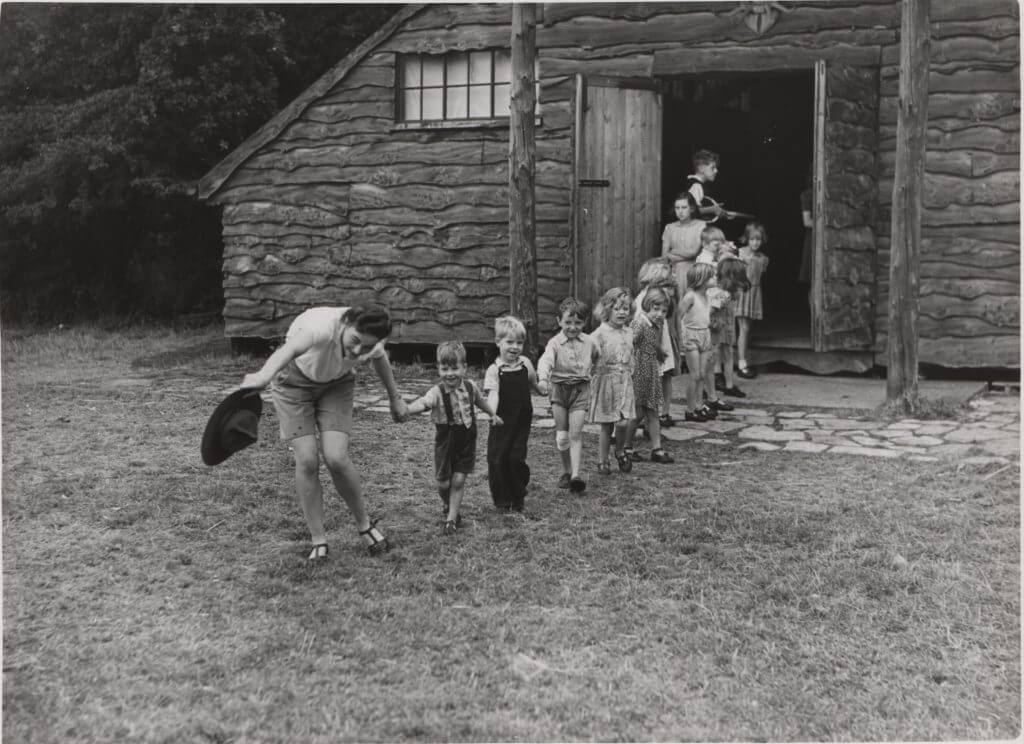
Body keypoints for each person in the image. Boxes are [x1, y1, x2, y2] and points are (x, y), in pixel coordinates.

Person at [239, 305, 408, 561]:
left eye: (365, 347)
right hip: (293, 383)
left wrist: (395, 399)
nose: (356, 351)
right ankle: (318, 539)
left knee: (337, 457)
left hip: (336, 384)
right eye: (354, 341)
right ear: (344, 323)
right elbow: (289, 350)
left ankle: (365, 525)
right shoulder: (319, 328)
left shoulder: (369, 340)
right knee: (307, 459)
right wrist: (264, 375)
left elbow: (379, 358)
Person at [401, 341, 503, 535]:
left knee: (457, 481)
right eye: (444, 368)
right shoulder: (436, 392)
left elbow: (480, 401)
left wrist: (493, 414)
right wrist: (407, 410)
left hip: (466, 441)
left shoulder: (471, 387)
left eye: (455, 368)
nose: (450, 373)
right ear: (439, 368)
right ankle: (448, 504)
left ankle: (451, 520)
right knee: (443, 483)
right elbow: (424, 402)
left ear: (464, 367)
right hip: (445, 443)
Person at [537, 297, 598, 494]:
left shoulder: (590, 342)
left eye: (578, 323)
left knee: (576, 433)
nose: (573, 327)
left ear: (585, 322)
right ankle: (566, 470)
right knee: (562, 436)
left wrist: (595, 373)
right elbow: (545, 361)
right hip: (559, 390)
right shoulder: (554, 343)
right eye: (568, 322)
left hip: (580, 389)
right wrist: (543, 379)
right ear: (559, 321)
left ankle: (576, 476)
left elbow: (598, 357)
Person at [484, 316, 542, 513]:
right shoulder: (495, 370)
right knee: (498, 458)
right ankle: (503, 500)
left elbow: (533, 382)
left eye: (519, 342)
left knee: (516, 458)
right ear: (498, 342)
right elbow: (493, 394)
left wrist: (541, 389)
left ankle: (518, 493)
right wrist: (491, 413)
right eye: (510, 342)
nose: (515, 347)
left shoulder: (525, 363)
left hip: (521, 420)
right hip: (501, 421)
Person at [588, 287, 637, 474]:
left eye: (625, 309)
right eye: (617, 308)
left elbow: (630, 355)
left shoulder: (628, 332)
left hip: (624, 381)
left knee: (624, 422)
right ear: (607, 310)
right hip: (607, 383)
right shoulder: (598, 335)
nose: (622, 312)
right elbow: (590, 359)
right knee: (607, 424)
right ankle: (603, 459)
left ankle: (620, 451)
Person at [624, 286, 674, 464]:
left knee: (653, 411)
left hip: (651, 372)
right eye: (656, 309)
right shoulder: (640, 323)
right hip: (638, 373)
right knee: (636, 413)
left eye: (664, 310)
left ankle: (657, 449)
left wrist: (659, 353)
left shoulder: (656, 324)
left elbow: (653, 346)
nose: (660, 313)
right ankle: (626, 448)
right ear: (646, 305)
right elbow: (629, 345)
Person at [634, 257, 680, 428]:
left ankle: (663, 413)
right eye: (663, 282)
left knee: (665, 375)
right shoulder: (643, 299)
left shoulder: (662, 296)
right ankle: (646, 418)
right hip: (651, 344)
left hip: (663, 340)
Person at [707, 257, 750, 404]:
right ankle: (710, 390)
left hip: (728, 327)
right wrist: (712, 324)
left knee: (729, 353)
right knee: (712, 358)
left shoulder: (730, 293)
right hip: (717, 329)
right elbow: (708, 312)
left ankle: (729, 385)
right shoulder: (722, 295)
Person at [678, 264, 715, 423]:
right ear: (701, 279)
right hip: (691, 336)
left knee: (702, 374)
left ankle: (699, 406)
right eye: (711, 276)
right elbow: (678, 316)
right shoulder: (690, 296)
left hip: (705, 334)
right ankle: (690, 409)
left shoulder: (707, 296)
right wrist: (680, 337)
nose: (715, 279)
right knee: (694, 375)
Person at [736, 222, 770, 379]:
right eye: (752, 239)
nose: (755, 242)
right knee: (744, 328)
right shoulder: (739, 254)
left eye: (758, 239)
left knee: (747, 328)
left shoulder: (763, 259)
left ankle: (743, 360)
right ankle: (742, 364)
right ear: (746, 239)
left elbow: (760, 274)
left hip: (754, 293)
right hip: (741, 292)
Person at [661, 191, 705, 304]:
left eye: (684, 207)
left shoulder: (700, 225)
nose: (680, 211)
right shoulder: (670, 228)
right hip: (674, 273)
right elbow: (664, 256)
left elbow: (693, 252)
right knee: (674, 305)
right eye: (677, 208)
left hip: (693, 272)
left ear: (692, 208)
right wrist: (669, 257)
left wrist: (674, 252)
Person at [687, 149, 721, 219]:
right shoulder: (696, 186)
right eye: (712, 168)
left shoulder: (695, 184)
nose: (716, 171)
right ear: (701, 168)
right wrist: (713, 209)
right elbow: (691, 210)